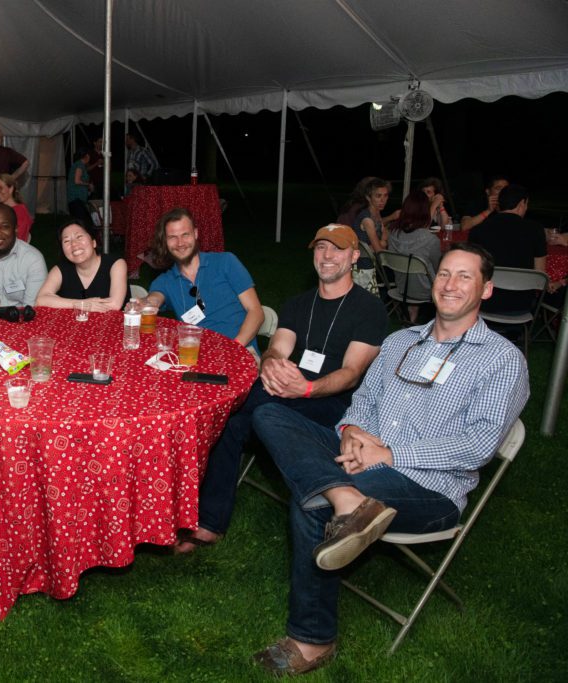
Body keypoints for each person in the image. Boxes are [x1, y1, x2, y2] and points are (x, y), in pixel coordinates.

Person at [248, 243, 528, 676]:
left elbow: (478, 445)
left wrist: (391, 453)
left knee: (312, 501)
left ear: (486, 290)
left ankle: (312, 639)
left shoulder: (502, 361)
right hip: (359, 457)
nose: (450, 285)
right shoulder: (400, 341)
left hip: (429, 486)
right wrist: (352, 434)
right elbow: (362, 402)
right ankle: (348, 500)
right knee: (270, 414)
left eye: (464, 277)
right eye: (443, 275)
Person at [175, 224, 387, 553]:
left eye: (337, 249)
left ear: (355, 256)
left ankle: (190, 506)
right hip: (286, 388)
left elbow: (351, 373)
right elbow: (278, 347)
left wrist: (306, 387)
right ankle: (207, 520)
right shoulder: (299, 303)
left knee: (251, 408)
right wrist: (272, 364)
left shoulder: (368, 309)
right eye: (321, 248)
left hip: (332, 403)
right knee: (228, 414)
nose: (327, 256)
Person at [143, 207, 264, 356]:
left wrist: (234, 347)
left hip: (241, 350)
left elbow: (256, 312)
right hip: (197, 356)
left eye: (185, 235)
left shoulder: (226, 262)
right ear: (165, 242)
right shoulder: (166, 281)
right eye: (172, 237)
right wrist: (148, 303)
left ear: (195, 234)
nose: (180, 243)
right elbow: (155, 297)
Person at [468, 184, 547, 314]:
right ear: (522, 203)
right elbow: (540, 275)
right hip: (521, 305)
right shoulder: (535, 230)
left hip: (483, 301)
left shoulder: (479, 229)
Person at [35, 220, 128, 312]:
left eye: (79, 237)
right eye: (66, 241)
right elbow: (41, 300)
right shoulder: (60, 270)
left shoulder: (116, 264)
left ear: (94, 242)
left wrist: (69, 304)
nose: (74, 244)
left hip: (114, 325)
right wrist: (78, 304)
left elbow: (115, 304)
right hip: (73, 326)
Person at [388, 190, 441, 322]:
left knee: (414, 270)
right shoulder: (431, 239)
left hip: (402, 288)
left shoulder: (394, 234)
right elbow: (438, 268)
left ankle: (413, 312)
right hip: (426, 292)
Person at [0, 172, 33, 242]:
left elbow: (19, 238)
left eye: (0, 188)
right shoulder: (0, 209)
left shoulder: (20, 211)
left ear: (11, 189)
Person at [66, 149, 94, 230]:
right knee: (80, 221)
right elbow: (77, 181)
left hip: (77, 198)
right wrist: (88, 185)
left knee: (80, 221)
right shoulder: (79, 165)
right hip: (76, 198)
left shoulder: (80, 165)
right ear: (86, 156)